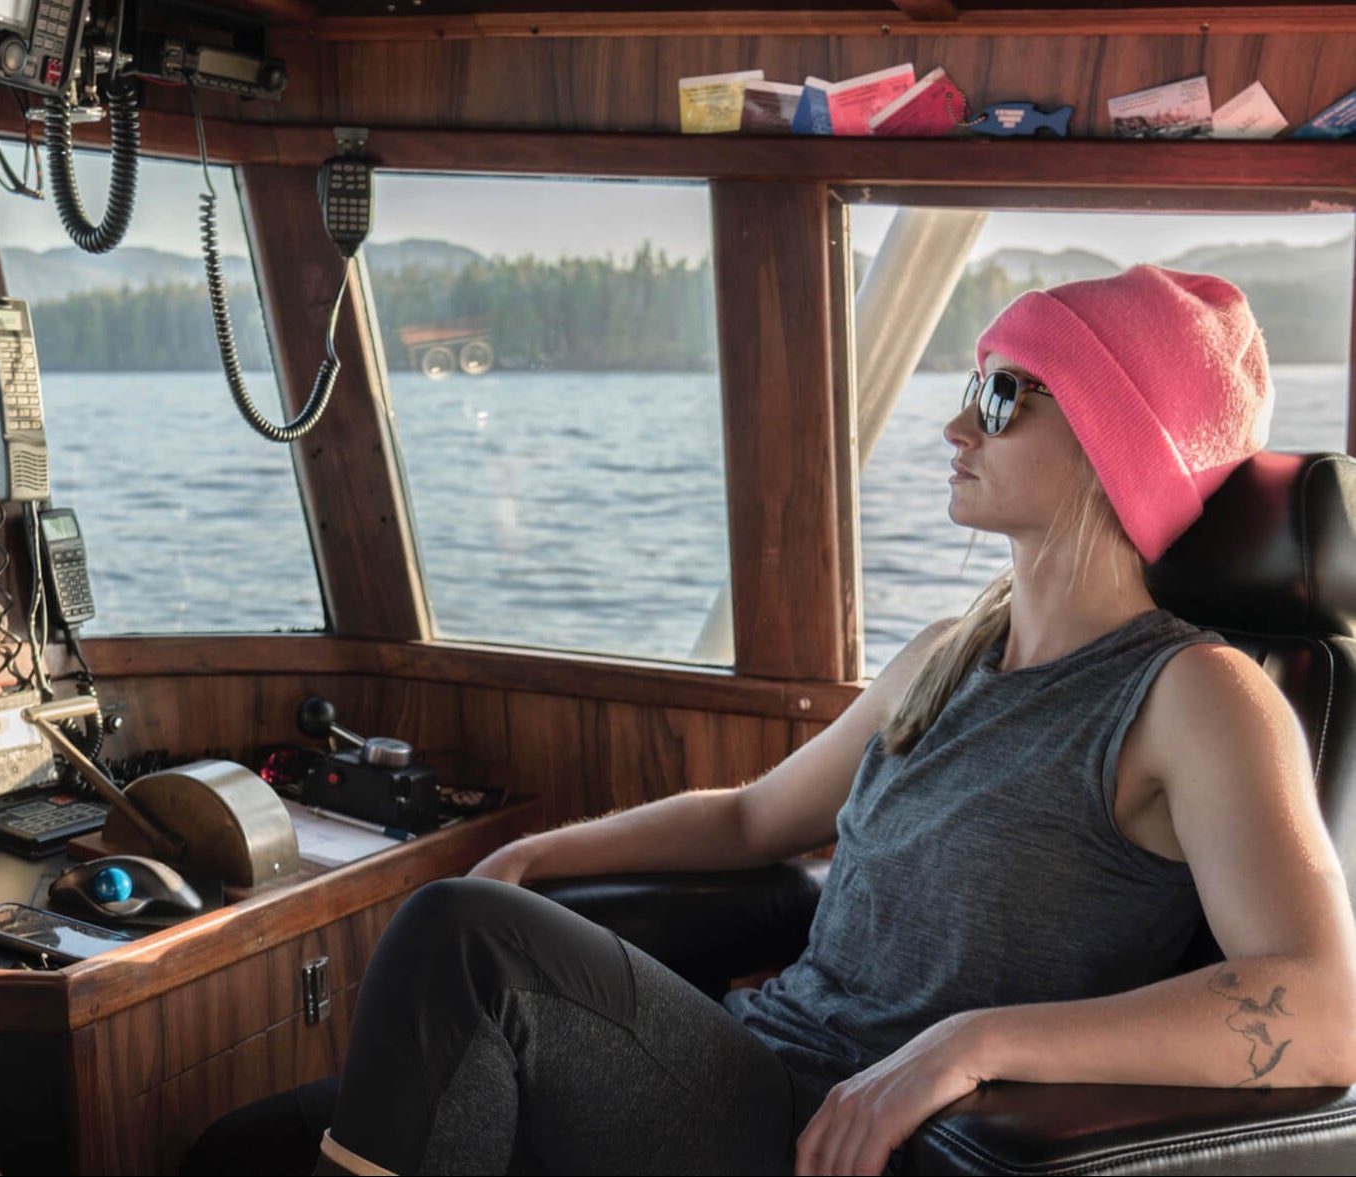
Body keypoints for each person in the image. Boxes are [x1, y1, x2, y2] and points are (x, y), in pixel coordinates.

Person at [312, 265, 1356, 1177]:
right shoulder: (947, 652)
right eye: (971, 389)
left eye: (1001, 397)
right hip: (748, 1058)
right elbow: (752, 817)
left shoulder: (1196, 694)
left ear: (1117, 445)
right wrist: (535, 855)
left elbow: (1322, 1006)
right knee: (252, 1141)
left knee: (461, 940)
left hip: (835, 1133)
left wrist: (971, 1044)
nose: (956, 428)